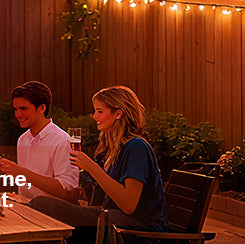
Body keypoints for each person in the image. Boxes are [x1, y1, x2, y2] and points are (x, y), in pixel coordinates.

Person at [29, 86, 167, 241]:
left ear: (118, 114)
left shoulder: (136, 147)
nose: (94, 116)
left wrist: (91, 167)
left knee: (43, 206)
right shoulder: (114, 149)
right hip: (111, 221)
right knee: (43, 207)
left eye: (100, 111)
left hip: (135, 232)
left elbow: (129, 204)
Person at [0, 81, 79, 202]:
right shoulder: (23, 140)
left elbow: (68, 191)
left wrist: (21, 172)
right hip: (25, 208)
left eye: (23, 108)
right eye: (15, 109)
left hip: (51, 215)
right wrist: (4, 168)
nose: (18, 114)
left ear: (42, 108)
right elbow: (26, 183)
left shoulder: (61, 140)